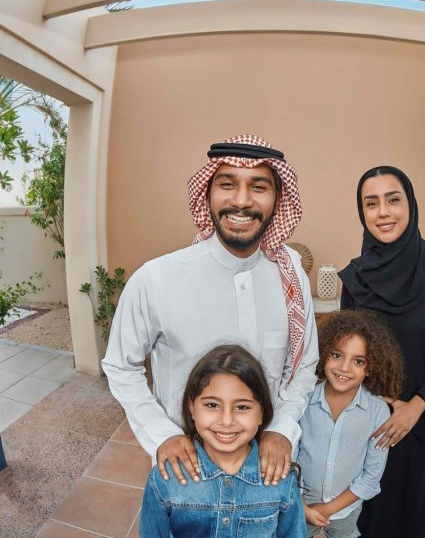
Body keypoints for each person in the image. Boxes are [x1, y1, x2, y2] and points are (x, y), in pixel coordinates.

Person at [102, 134, 318, 488]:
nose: (242, 201)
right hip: (186, 471)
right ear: (207, 194)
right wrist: (163, 435)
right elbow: (120, 366)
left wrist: (281, 428)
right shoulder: (157, 278)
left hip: (266, 470)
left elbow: (304, 365)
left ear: (278, 199)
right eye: (227, 184)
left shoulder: (290, 273)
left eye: (258, 186)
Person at [338, 166, 425, 538]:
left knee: (404, 517)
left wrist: (416, 407)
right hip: (364, 423)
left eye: (393, 200)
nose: (383, 212)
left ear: (410, 204)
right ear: (362, 212)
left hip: (415, 428)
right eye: (371, 203)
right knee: (359, 517)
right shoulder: (355, 279)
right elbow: (347, 351)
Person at [140, 344, 307, 537]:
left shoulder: (281, 477)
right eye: (212, 405)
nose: (226, 421)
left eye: (242, 407)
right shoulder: (166, 478)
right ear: (192, 407)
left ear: (262, 412)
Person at [297, 309, 404, 538]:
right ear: (324, 353)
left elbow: (371, 475)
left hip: (346, 510)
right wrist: (301, 504)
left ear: (371, 367)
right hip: (299, 504)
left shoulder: (377, 411)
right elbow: (289, 459)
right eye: (337, 355)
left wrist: (327, 509)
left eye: (358, 361)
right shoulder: (303, 400)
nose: (344, 368)